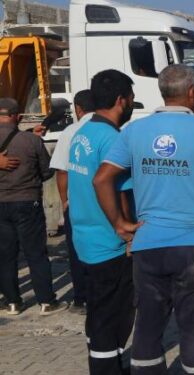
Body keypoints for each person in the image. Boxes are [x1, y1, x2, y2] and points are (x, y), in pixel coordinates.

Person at [93, 64, 194, 375]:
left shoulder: (134, 132)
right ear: (192, 93)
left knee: (147, 328)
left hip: (148, 246)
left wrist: (120, 224)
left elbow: (101, 179)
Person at [68, 70, 136, 374]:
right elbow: (115, 188)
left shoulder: (82, 133)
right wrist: (126, 228)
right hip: (109, 244)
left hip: (84, 238)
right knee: (112, 321)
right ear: (122, 100)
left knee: (98, 315)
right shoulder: (111, 138)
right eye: (132, 100)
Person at [0, 97, 68, 316]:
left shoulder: (28, 137)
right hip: (28, 201)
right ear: (17, 116)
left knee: (6, 255)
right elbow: (47, 171)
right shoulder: (31, 141)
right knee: (36, 253)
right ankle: (46, 302)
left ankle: (12, 302)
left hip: (1, 204)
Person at [48, 90, 96, 315]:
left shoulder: (69, 132)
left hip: (77, 204)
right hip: (104, 204)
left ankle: (82, 299)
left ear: (78, 108)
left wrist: (64, 201)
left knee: (77, 251)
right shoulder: (112, 129)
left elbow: (62, 171)